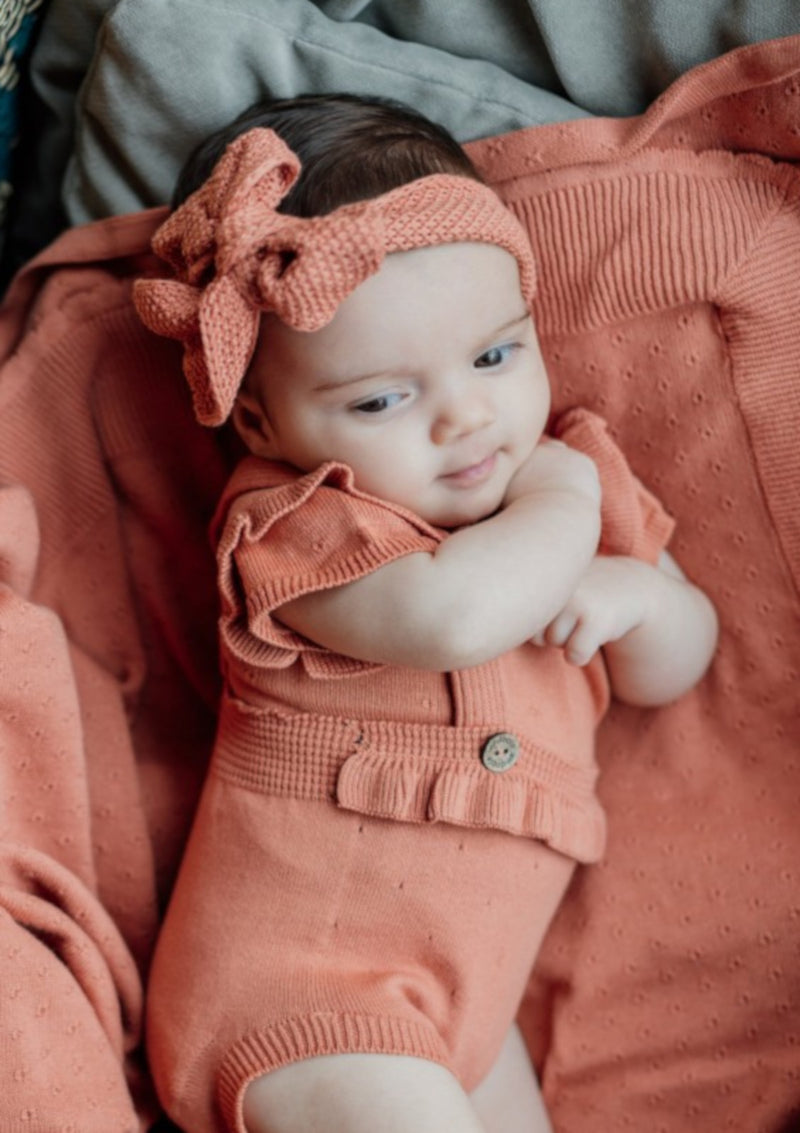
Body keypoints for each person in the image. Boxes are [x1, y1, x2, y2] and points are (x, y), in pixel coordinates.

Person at [133, 93, 718, 1133]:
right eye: (379, 399)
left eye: (494, 357)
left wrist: (643, 600)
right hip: (301, 993)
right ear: (264, 419)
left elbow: (672, 668)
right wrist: (565, 502)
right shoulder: (292, 521)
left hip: (462, 1016)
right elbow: (452, 617)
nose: (465, 417)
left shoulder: (577, 494)